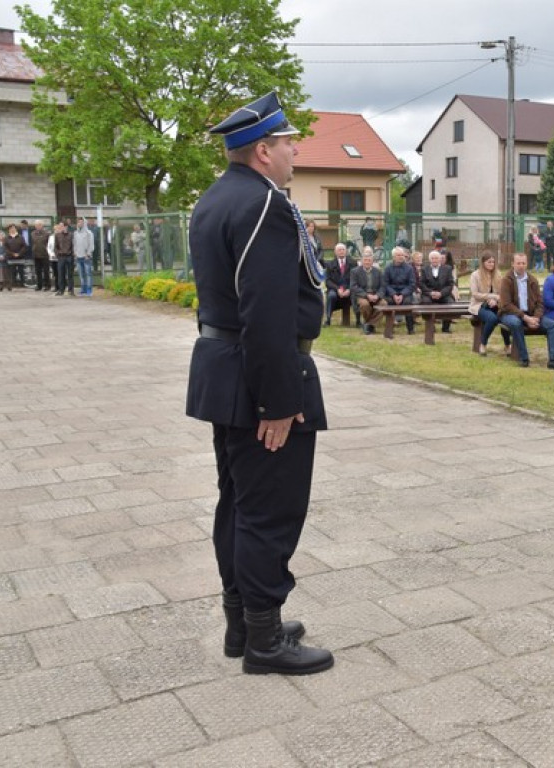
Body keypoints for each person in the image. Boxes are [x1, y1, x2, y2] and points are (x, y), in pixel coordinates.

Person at [185, 91, 332, 676]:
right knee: (270, 510)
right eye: (289, 143)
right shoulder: (266, 203)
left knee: (240, 505)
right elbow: (267, 311)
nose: (296, 151)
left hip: (226, 368)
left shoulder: (215, 198)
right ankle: (265, 641)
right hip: (260, 376)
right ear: (264, 151)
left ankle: (243, 624)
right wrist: (278, 401)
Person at [498, 252, 554, 368]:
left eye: (523, 263)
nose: (521, 266)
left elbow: (540, 303)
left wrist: (536, 318)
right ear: (512, 264)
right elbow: (506, 304)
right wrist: (525, 318)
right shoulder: (506, 280)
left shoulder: (532, 280)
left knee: (553, 326)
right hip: (509, 314)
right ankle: (523, 358)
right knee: (516, 323)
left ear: (527, 264)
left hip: (531, 314)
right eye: (518, 263)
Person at [468, 251, 511, 356]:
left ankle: (507, 345)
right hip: (479, 305)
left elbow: (501, 292)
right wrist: (491, 297)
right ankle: (483, 344)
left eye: (493, 262)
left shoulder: (498, 274)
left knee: (505, 318)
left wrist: (495, 300)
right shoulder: (475, 275)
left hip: (496, 304)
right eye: (489, 262)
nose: (491, 264)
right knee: (492, 319)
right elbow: (475, 294)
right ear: (483, 262)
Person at [349, 248, 385, 334]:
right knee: (364, 304)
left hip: (375, 295)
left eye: (369, 260)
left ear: (372, 262)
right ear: (362, 261)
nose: (367, 262)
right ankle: (371, 325)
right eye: (365, 260)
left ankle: (368, 325)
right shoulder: (355, 271)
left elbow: (383, 287)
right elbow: (353, 286)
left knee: (384, 304)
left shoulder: (378, 272)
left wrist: (378, 295)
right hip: (362, 296)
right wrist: (366, 295)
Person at [382, 246, 417, 334]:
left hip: (405, 293)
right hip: (391, 293)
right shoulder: (388, 268)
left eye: (402, 255)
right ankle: (390, 327)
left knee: (408, 303)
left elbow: (412, 284)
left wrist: (402, 294)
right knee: (389, 302)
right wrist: (393, 294)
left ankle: (410, 329)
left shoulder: (409, 268)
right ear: (393, 257)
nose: (401, 257)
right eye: (398, 255)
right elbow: (385, 284)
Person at [420, 249, 456, 332]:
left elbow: (450, 284)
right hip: (429, 294)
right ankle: (430, 326)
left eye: (436, 258)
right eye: (432, 258)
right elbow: (422, 284)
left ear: (440, 259)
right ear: (429, 260)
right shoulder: (424, 269)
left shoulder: (448, 269)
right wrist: (431, 293)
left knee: (450, 302)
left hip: (443, 294)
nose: (434, 260)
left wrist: (441, 293)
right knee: (425, 302)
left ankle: (446, 328)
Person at [323, 242, 355, 326]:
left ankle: (358, 321)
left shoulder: (353, 263)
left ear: (346, 251)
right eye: (339, 250)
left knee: (356, 295)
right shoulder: (330, 264)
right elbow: (328, 281)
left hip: (349, 289)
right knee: (331, 295)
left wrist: (349, 289)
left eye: (343, 249)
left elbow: (355, 279)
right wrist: (337, 289)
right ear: (335, 252)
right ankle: (328, 319)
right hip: (335, 290)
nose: (341, 251)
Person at [73, 217, 94, 296]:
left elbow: (91, 245)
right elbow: (74, 244)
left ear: (84, 223)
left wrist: (88, 254)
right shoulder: (75, 233)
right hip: (78, 257)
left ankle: (89, 290)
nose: (80, 223)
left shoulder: (89, 233)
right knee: (81, 274)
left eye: (81, 222)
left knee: (88, 274)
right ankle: (83, 289)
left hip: (86, 257)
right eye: (79, 222)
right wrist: (75, 253)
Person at [53, 220, 75, 296]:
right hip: (61, 256)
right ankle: (61, 290)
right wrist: (57, 254)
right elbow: (55, 246)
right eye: (59, 226)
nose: (60, 228)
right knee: (60, 274)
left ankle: (70, 290)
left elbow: (73, 245)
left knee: (70, 274)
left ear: (66, 227)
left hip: (69, 256)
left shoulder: (71, 235)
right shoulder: (57, 235)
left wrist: (72, 253)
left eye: (62, 226)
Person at [2, 223, 27, 291]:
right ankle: (13, 284)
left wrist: (19, 253)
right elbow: (5, 248)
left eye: (13, 228)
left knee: (21, 271)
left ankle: (22, 284)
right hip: (11, 258)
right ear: (8, 230)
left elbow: (24, 246)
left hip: (20, 257)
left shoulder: (21, 237)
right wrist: (12, 254)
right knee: (12, 272)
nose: (12, 229)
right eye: (10, 228)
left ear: (16, 229)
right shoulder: (6, 238)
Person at [29, 220, 51, 291]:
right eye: (36, 225)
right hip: (36, 254)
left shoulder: (46, 234)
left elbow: (49, 244)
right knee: (38, 271)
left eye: (39, 225)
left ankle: (47, 285)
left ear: (42, 225)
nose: (37, 226)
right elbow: (32, 243)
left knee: (46, 271)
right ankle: (39, 285)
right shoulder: (32, 233)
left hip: (44, 254)